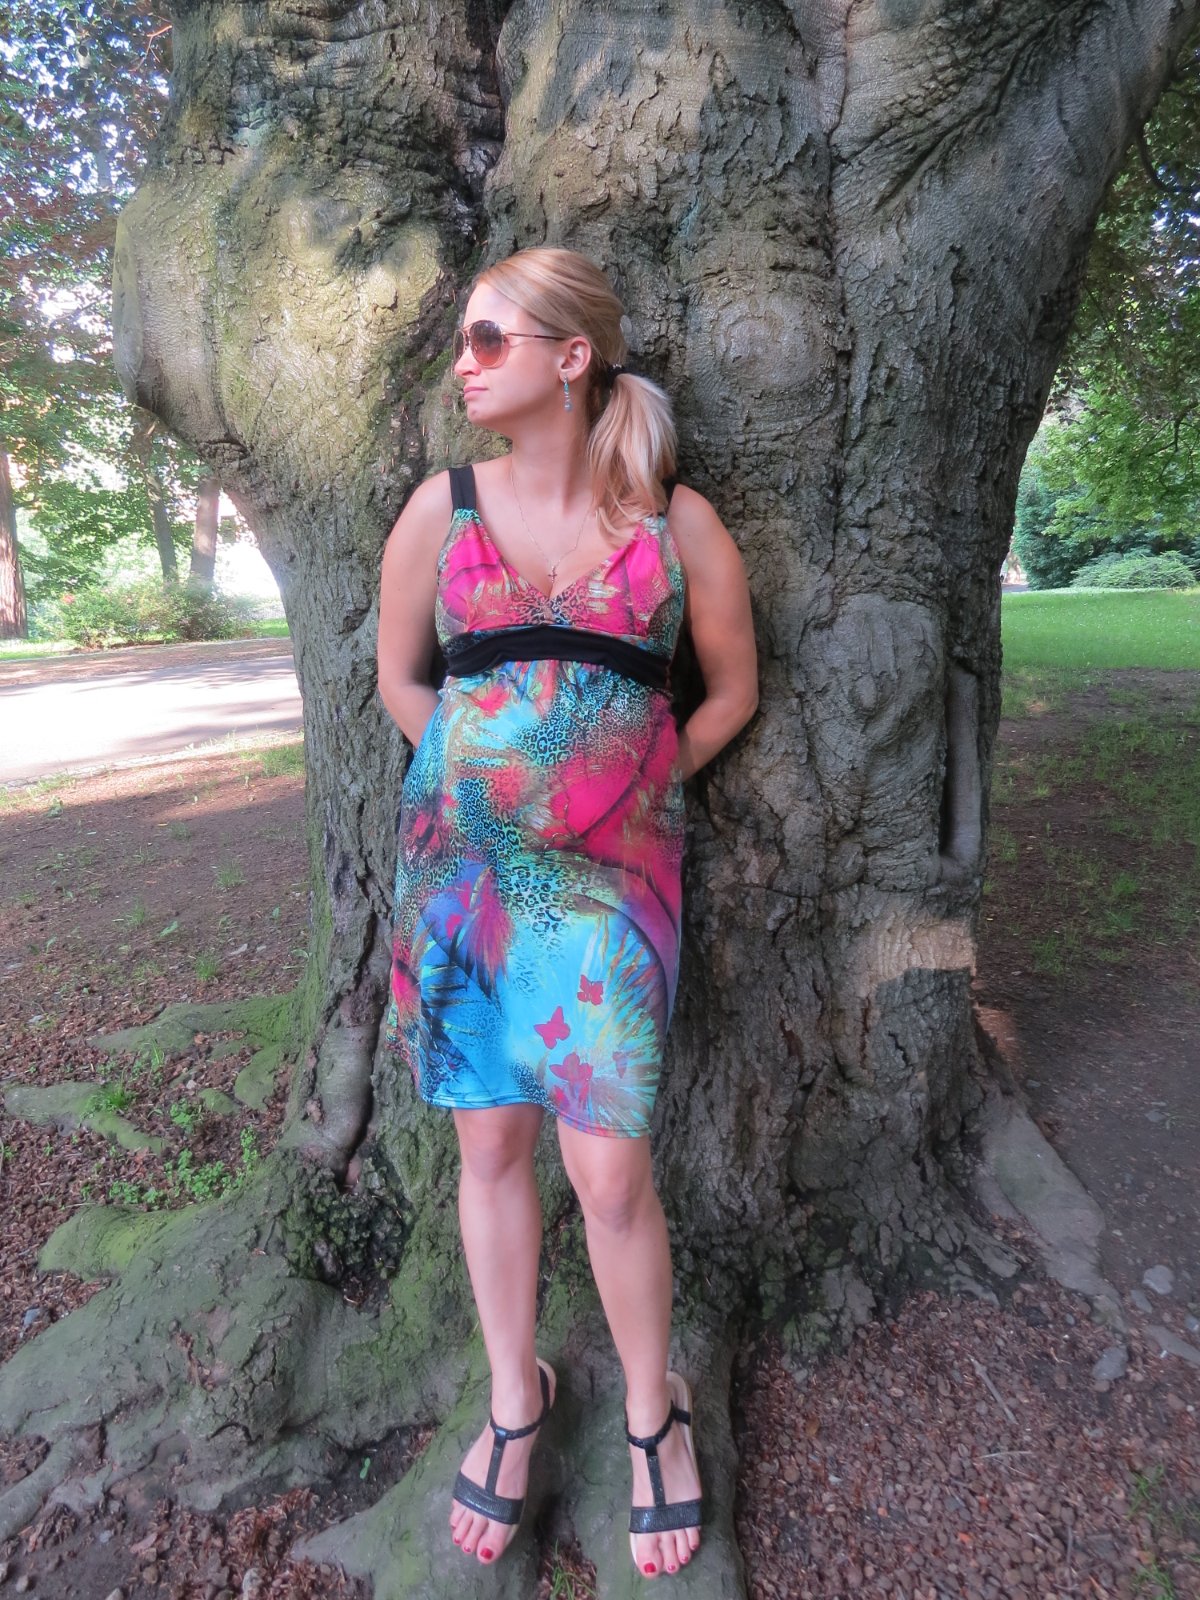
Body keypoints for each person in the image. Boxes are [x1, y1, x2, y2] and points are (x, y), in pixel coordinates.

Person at [376, 246, 758, 1580]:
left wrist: (633, 786)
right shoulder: (440, 510)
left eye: (490, 339)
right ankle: (515, 1398)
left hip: (610, 898)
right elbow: (401, 678)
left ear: (572, 357)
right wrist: (487, 791)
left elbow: (731, 692)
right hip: (466, 887)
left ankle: (655, 1414)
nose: (466, 363)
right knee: (489, 1148)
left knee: (608, 1174)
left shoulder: (673, 524)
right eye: (464, 343)